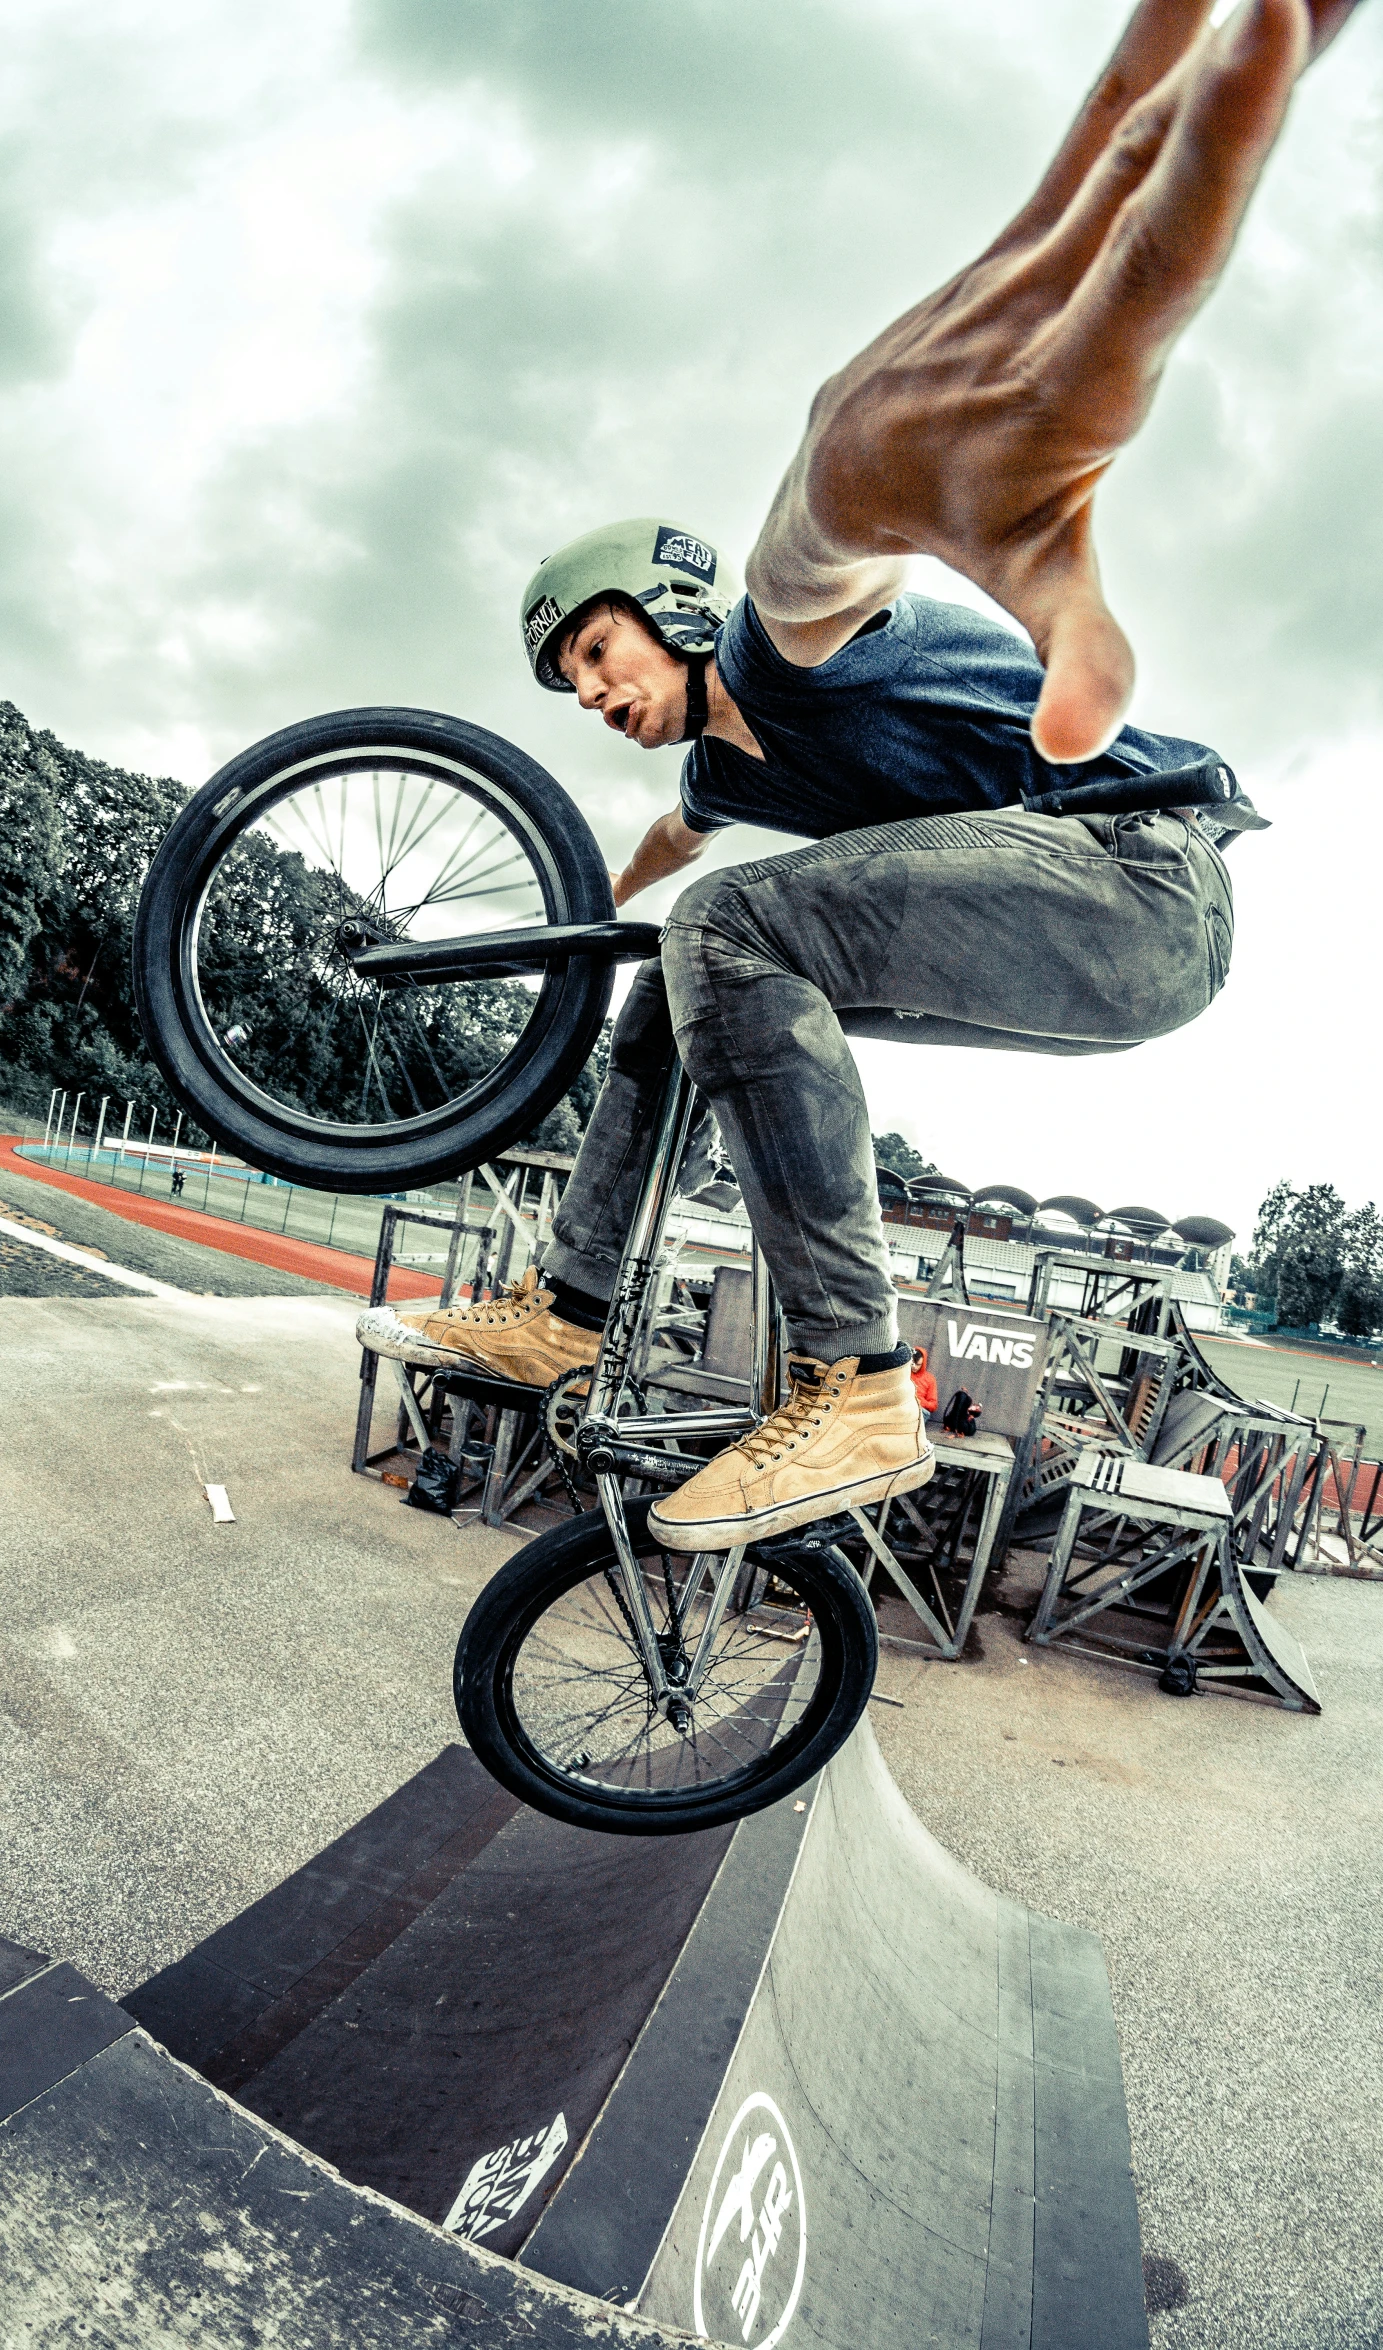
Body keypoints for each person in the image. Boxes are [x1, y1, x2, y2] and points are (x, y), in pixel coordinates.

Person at [359, 0, 1360, 1550]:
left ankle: (855, 1378)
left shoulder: (781, 639)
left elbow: (812, 560)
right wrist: (537, 918)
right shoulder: (725, 768)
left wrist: (833, 466)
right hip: (1074, 933)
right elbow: (642, 853)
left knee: (726, 928)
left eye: (604, 651)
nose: (597, 691)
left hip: (1137, 878)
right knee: (668, 961)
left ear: (674, 607)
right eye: (572, 687)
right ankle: (567, 1305)